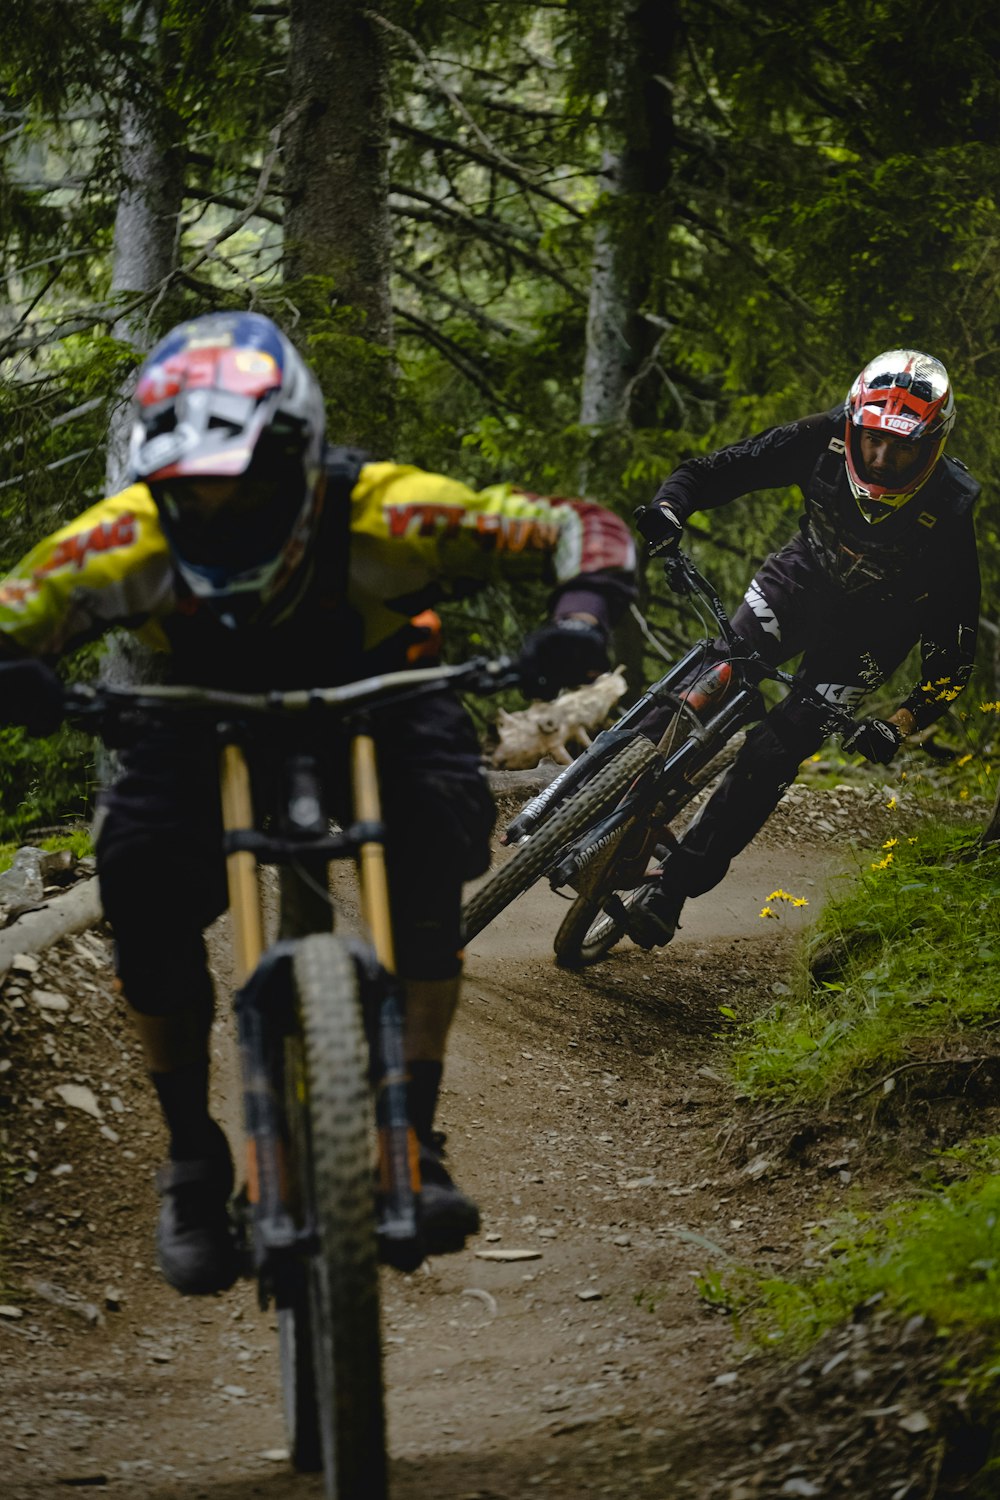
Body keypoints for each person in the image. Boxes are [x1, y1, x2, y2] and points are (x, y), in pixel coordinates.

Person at [0, 310, 637, 1293]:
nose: (214, 512)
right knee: (139, 882)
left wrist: (583, 614)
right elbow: (14, 612)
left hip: (378, 698)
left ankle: (411, 1138)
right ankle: (192, 1160)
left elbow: (572, 526)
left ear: (297, 456)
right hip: (197, 718)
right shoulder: (121, 542)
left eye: (242, 484)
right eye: (187, 494)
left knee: (438, 835)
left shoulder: (389, 508)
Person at [628, 348, 980, 949]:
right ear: (853, 423)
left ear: (933, 446)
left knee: (772, 753)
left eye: (903, 447)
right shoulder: (821, 439)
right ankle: (618, 779)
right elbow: (716, 470)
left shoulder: (949, 510)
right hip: (799, 583)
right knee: (719, 669)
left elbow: (953, 652)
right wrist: (669, 509)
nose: (882, 457)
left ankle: (673, 889)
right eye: (872, 439)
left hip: (871, 636)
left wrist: (896, 724)